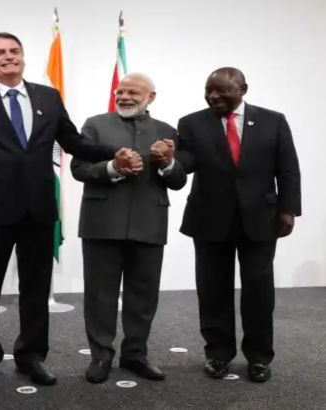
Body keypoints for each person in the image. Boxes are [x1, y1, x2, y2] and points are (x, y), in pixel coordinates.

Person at [0, 32, 142, 390]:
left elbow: (73, 140)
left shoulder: (48, 96)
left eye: (14, 51)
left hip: (38, 208)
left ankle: (32, 356)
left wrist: (113, 152)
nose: (8, 57)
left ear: (23, 57)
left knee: (36, 287)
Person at [176, 67, 301, 382]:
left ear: (243, 89)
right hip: (209, 218)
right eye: (208, 90)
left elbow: (288, 168)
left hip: (261, 218)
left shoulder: (273, 121)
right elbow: (187, 162)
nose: (212, 95)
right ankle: (218, 354)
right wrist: (169, 161)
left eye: (220, 90)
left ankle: (259, 357)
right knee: (212, 290)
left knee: (259, 291)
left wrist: (288, 209)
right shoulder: (191, 123)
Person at [70, 73, 186, 383]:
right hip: (101, 222)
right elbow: (78, 168)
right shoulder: (95, 125)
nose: (124, 97)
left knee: (143, 295)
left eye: (133, 92)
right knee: (100, 294)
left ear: (151, 97)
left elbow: (178, 180)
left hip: (150, 221)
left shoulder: (166, 131)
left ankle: (135, 355)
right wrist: (112, 167)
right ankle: (101, 356)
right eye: (120, 92)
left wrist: (167, 163)